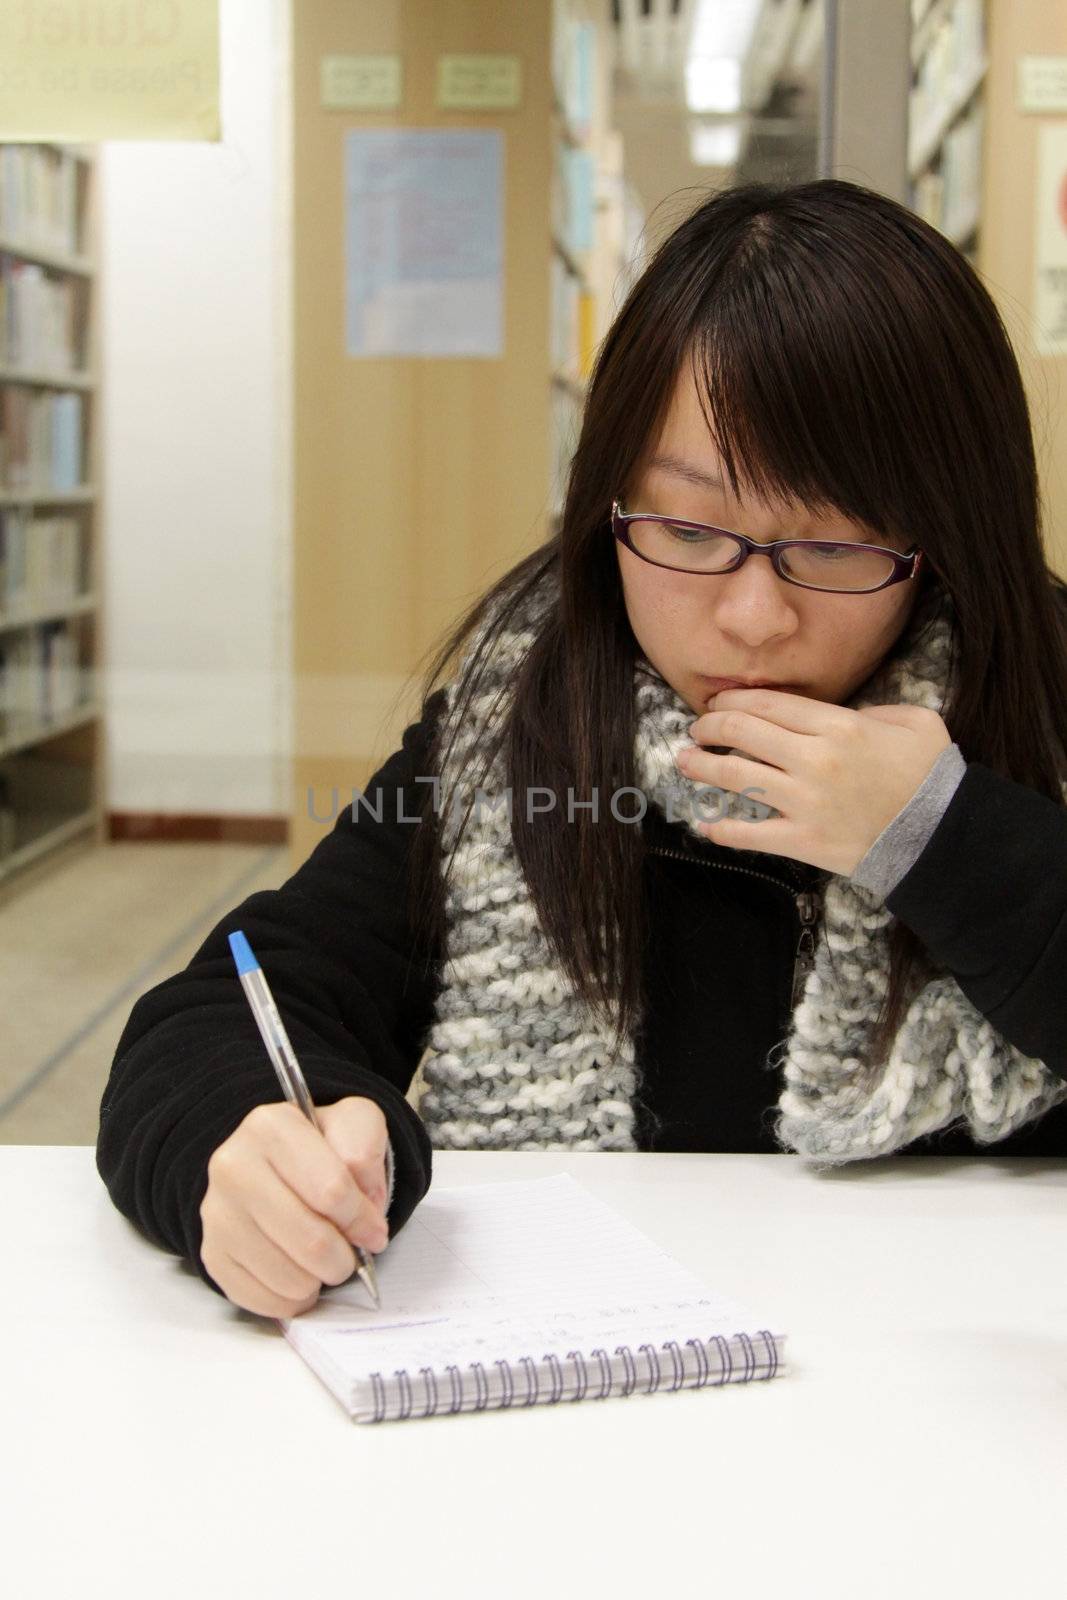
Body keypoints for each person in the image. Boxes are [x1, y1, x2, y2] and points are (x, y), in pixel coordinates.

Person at [97, 178, 1067, 1322]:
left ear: (947, 535)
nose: (752, 616)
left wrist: (941, 838)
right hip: (581, 1407)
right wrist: (249, 1151)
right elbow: (233, 1008)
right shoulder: (514, 731)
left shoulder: (1035, 708)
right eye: (688, 528)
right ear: (606, 502)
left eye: (835, 540)